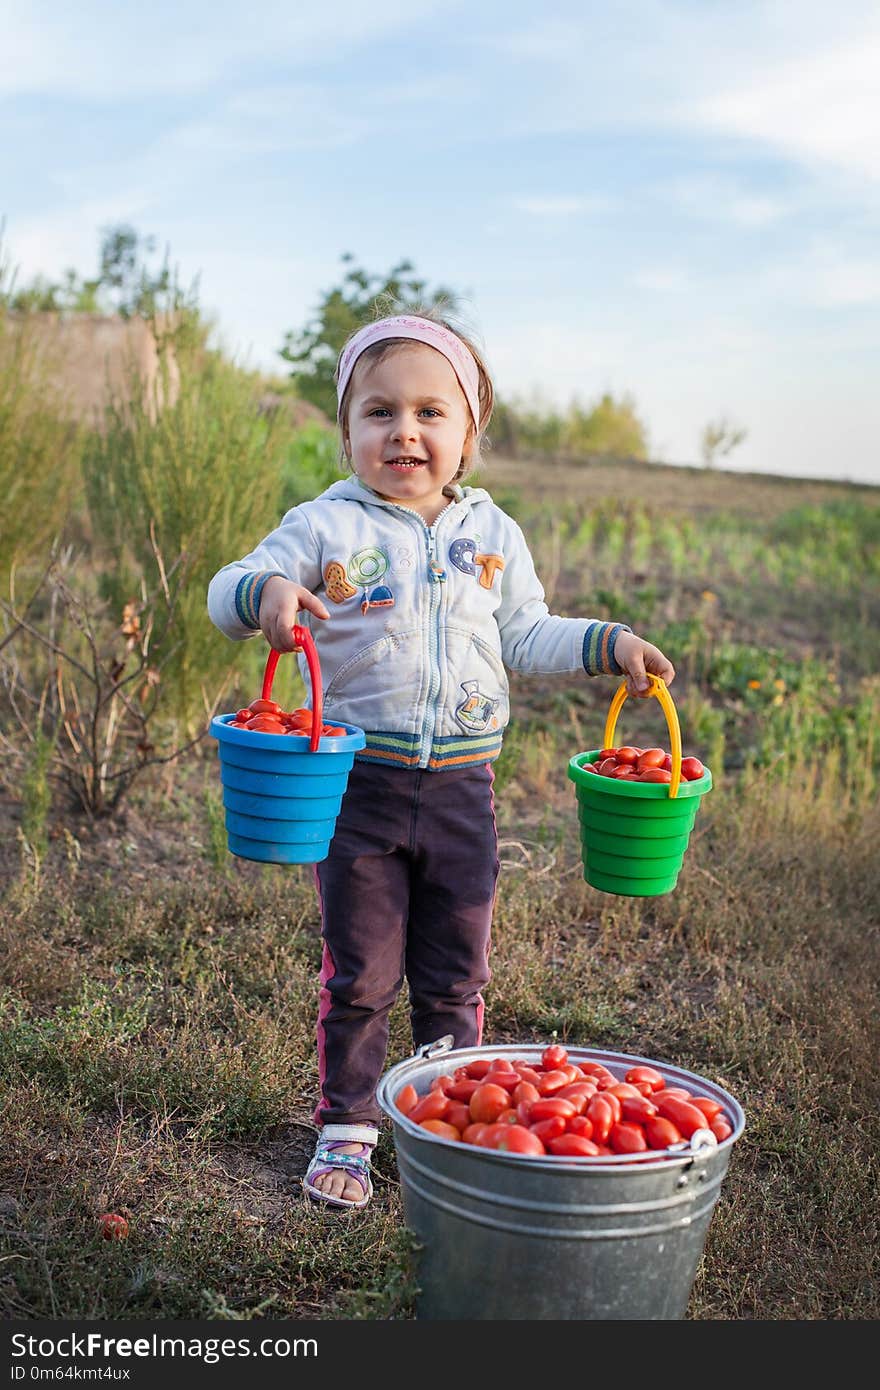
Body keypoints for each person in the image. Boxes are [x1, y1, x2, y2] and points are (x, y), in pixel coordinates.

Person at [207, 309, 675, 1209]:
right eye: (378, 412)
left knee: (458, 969)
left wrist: (608, 643)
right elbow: (226, 590)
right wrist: (264, 590)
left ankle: (448, 1119)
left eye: (431, 412)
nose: (404, 432)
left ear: (470, 435)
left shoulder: (492, 535)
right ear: (347, 431)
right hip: (357, 789)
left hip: (465, 789)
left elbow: (528, 632)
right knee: (362, 971)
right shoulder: (324, 525)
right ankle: (347, 1126)